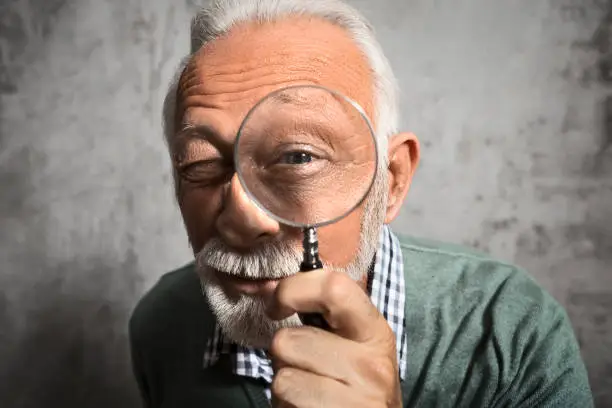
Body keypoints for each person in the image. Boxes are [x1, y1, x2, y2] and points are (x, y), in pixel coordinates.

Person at [128, 0, 594, 406]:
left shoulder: (511, 330)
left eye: (298, 156)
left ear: (390, 180)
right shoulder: (160, 324)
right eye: (200, 164)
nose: (241, 217)